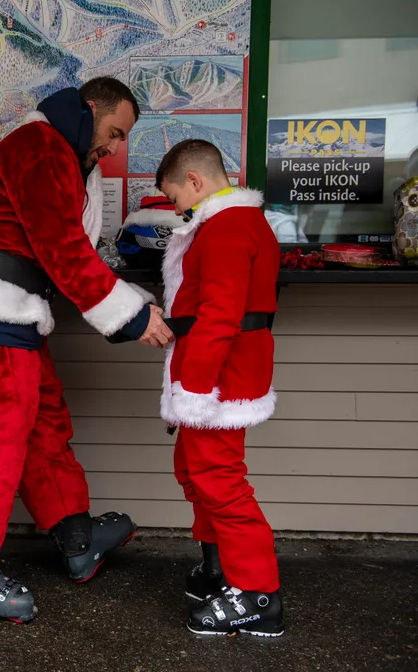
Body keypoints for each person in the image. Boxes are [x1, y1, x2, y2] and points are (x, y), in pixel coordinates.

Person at [0, 78, 174, 623]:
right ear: (89, 111)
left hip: (12, 314)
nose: (114, 147)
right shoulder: (40, 148)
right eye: (113, 132)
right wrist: (129, 315)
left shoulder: (56, 152)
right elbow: (61, 245)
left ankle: (75, 536)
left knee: (42, 424)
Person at [155, 139, 283, 637]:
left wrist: (193, 387)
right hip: (209, 374)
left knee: (221, 482)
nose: (175, 209)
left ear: (194, 180)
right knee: (195, 471)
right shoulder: (228, 225)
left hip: (217, 379)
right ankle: (220, 568)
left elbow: (220, 317)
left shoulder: (229, 227)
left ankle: (256, 593)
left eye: (174, 198)